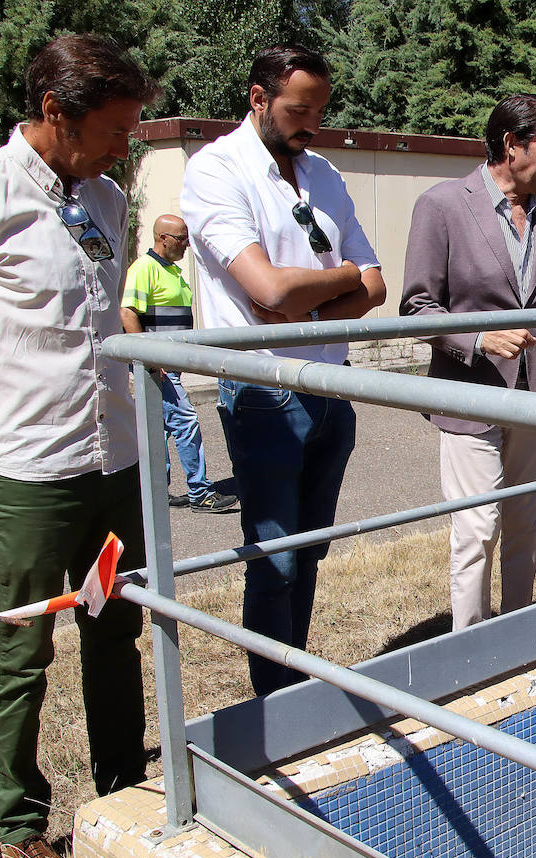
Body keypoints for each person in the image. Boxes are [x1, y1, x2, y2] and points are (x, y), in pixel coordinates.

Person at [0, 34, 159, 858]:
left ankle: (123, 797)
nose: (128, 144)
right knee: (20, 646)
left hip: (112, 459)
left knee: (118, 630)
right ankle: (20, 829)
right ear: (57, 113)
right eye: (116, 128)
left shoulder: (109, 199)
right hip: (25, 467)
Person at [180, 45, 386, 695]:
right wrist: (331, 283)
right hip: (265, 390)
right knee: (273, 561)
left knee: (309, 552)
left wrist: (317, 292)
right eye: (300, 109)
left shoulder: (323, 171)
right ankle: (274, 706)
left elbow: (375, 284)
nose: (313, 124)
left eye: (321, 110)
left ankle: (294, 681)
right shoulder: (216, 170)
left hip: (333, 386)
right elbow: (266, 291)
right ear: (258, 98)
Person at [400, 94, 536, 630]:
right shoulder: (441, 205)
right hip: (470, 395)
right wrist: (479, 338)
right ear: (512, 145)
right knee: (476, 530)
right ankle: (467, 653)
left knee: (528, 522)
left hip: (535, 400)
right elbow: (418, 306)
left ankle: (514, 636)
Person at [121, 214, 238, 513]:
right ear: (163, 239)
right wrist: (148, 359)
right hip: (158, 367)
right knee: (186, 422)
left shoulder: (170, 270)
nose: (186, 244)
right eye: (181, 239)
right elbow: (128, 313)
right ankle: (200, 493)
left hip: (168, 367)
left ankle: (154, 493)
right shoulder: (144, 268)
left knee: (159, 429)